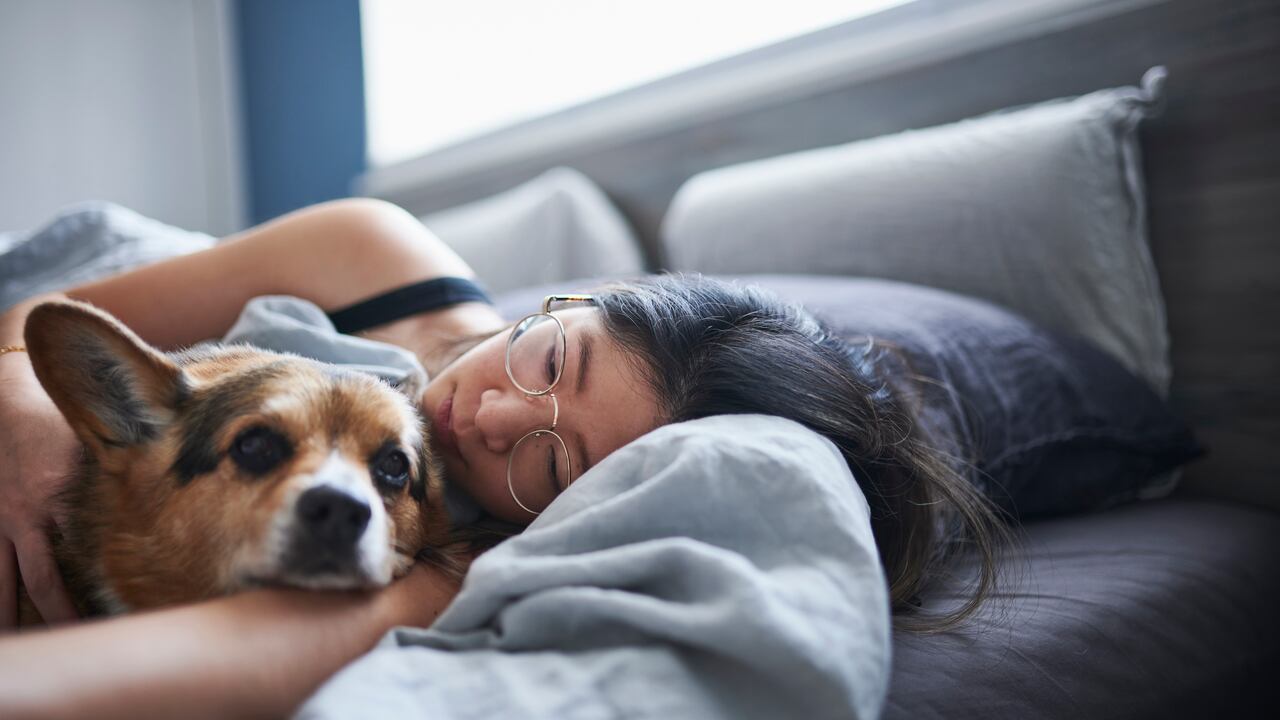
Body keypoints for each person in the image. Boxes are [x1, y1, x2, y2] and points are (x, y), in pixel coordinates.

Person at [0, 198, 1006, 717]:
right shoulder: (373, 250)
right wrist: (22, 405)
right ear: (565, 303)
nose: (487, 418)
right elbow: (26, 333)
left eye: (551, 465)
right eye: (547, 359)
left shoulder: (460, 545)